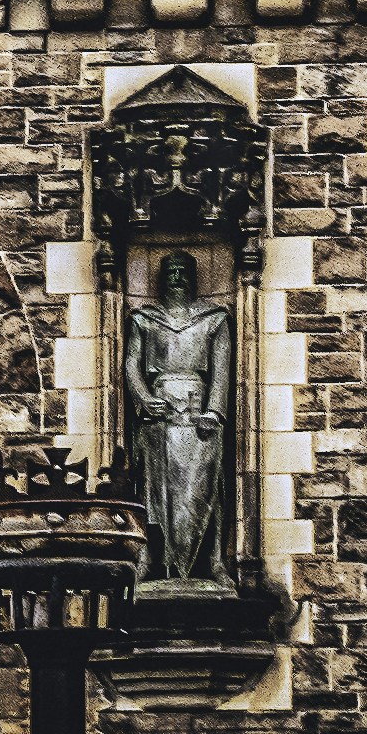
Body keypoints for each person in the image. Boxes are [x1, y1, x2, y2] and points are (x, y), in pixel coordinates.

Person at [128, 249, 237, 586]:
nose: (176, 278)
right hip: (158, 417)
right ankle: (148, 560)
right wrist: (145, 399)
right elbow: (132, 364)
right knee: (151, 490)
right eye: (170, 272)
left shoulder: (214, 318)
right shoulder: (145, 318)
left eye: (182, 272)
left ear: (193, 278)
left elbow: (222, 370)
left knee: (207, 490)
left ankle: (215, 561)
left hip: (198, 416)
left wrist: (215, 411)